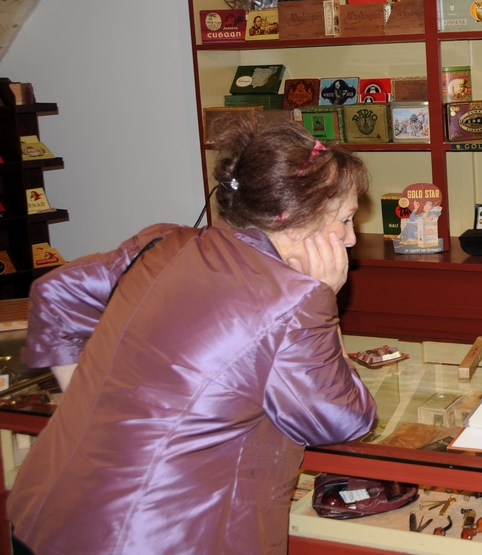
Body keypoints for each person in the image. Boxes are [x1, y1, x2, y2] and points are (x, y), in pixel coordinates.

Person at [8, 119, 377, 555]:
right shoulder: (296, 299)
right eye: (345, 220)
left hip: (47, 511)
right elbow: (342, 421)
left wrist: (83, 402)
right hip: (153, 538)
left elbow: (55, 292)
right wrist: (324, 298)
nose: (351, 238)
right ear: (296, 219)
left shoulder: (163, 243)